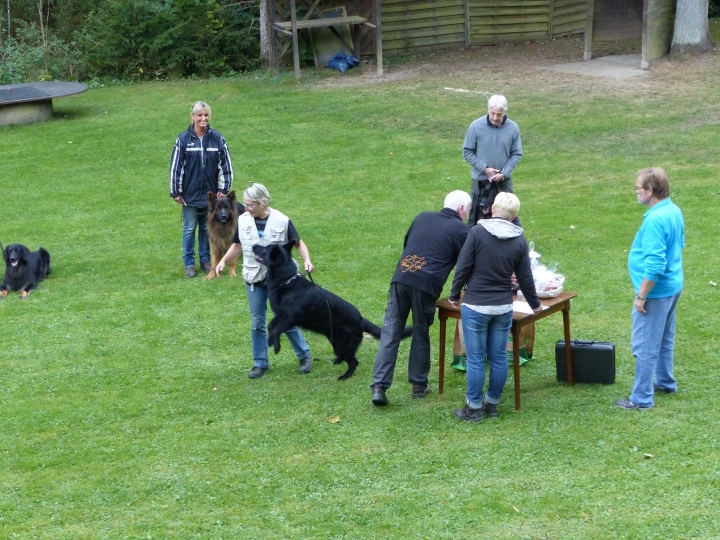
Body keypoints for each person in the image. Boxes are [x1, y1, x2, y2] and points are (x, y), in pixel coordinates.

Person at [371, 190, 472, 406]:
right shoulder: (462, 231)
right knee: (420, 332)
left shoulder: (422, 216)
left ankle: (379, 386)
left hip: (400, 278)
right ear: (462, 209)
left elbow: (407, 243)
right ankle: (418, 385)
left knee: (390, 332)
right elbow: (466, 265)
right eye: (468, 211)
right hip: (425, 286)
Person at [448, 192, 540, 422]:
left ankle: (474, 408)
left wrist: (453, 294)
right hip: (502, 307)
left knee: (477, 359)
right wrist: (535, 304)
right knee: (499, 358)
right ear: (514, 215)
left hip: (476, 306)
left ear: (492, 209)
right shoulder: (519, 239)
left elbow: (463, 267)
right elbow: (525, 278)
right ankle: (492, 403)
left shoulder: (477, 233)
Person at [215, 183, 314, 379]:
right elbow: (237, 245)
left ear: (263, 202)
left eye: (250, 204)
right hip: (254, 278)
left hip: (280, 282)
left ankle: (304, 356)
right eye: (245, 204)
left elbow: (298, 242)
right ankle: (260, 363)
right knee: (257, 323)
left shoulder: (282, 221)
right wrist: (223, 261)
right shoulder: (243, 221)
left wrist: (307, 260)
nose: (246, 208)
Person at [615, 167, 685, 409]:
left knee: (645, 345)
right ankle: (665, 381)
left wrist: (642, 295)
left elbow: (655, 263)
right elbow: (679, 245)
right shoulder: (673, 210)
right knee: (665, 338)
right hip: (673, 286)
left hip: (657, 292)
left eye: (638, 188)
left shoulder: (656, 220)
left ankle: (641, 398)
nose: (635, 191)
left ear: (650, 190)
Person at [170, 101, 234, 278]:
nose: (203, 118)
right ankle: (189, 264)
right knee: (189, 228)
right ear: (192, 117)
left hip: (211, 197)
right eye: (199, 115)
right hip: (189, 195)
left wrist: (223, 188)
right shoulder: (183, 140)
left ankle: (206, 260)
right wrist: (176, 191)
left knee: (207, 229)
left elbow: (226, 166)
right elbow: (176, 167)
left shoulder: (217, 138)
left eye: (206, 115)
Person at [462, 94, 522, 224]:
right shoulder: (476, 126)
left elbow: (516, 154)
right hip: (481, 181)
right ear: (488, 110)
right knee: (475, 219)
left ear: (505, 112)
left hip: (503, 182)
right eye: (493, 113)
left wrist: (503, 173)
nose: (495, 117)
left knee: (508, 217)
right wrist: (485, 169)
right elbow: (467, 152)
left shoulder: (513, 128)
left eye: (499, 114)